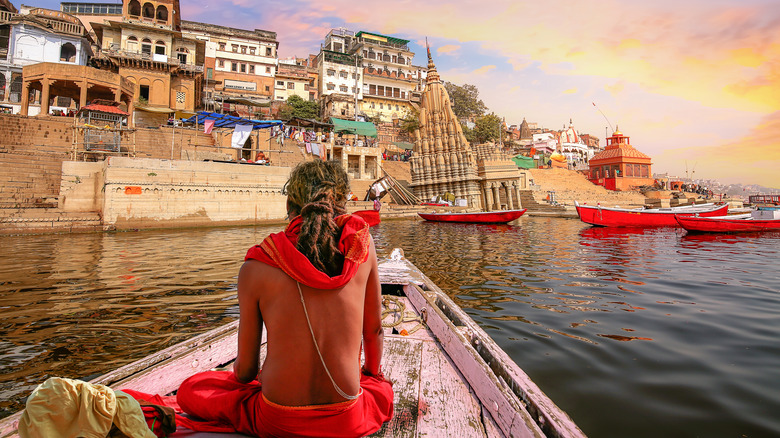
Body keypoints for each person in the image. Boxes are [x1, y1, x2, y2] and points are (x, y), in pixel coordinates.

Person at [175, 160, 394, 437]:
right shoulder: (361, 248)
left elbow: (245, 373)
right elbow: (373, 331)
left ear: (290, 206)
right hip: (347, 418)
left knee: (192, 389)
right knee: (381, 390)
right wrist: (371, 376)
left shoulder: (257, 265)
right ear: (342, 203)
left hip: (277, 421)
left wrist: (243, 375)